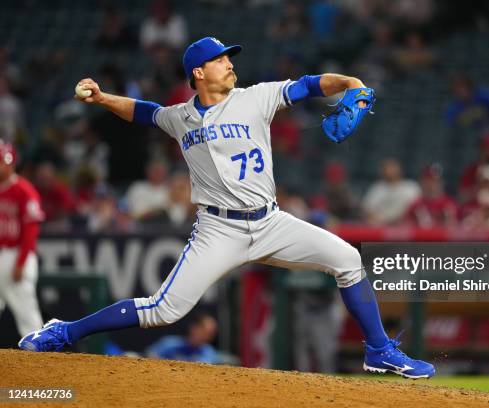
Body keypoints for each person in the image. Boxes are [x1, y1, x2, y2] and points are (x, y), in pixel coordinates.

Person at [18, 36, 434, 379]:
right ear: (198, 72)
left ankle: (379, 351)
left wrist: (349, 80)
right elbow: (145, 114)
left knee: (347, 258)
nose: (230, 64)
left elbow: (308, 84)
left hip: (271, 222)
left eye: (229, 57)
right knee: (164, 311)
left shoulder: (256, 98)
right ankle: (65, 331)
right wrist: (104, 98)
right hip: (219, 231)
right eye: (220, 60)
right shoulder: (179, 117)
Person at [0, 140, 45, 338]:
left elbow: (30, 231)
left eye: (3, 162)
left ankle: (41, 357)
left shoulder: (24, 190)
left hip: (16, 255)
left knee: (27, 314)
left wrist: (21, 261)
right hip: (3, 254)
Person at [362, 158, 421, 225]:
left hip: (405, 225)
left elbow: (418, 208)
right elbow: (367, 210)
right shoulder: (376, 188)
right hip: (380, 227)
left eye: (393, 167)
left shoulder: (411, 187)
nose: (390, 171)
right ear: (381, 171)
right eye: (387, 168)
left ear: (400, 169)